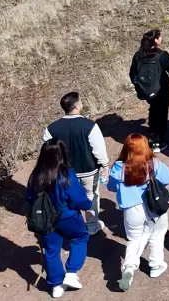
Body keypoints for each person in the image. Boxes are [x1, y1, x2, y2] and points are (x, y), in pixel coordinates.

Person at [27, 139, 94, 298]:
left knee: (51, 250)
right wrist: (87, 204)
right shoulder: (66, 173)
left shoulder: (35, 176)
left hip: (45, 220)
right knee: (79, 238)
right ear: (61, 154)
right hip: (68, 216)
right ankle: (71, 272)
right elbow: (78, 198)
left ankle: (56, 285)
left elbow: (30, 199)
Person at [107, 133, 169, 288]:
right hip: (153, 205)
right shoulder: (152, 163)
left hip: (131, 210)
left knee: (134, 239)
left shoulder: (118, 168)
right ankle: (156, 266)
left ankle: (129, 267)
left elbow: (111, 187)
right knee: (157, 235)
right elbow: (168, 178)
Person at [42, 92, 109, 236]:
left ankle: (73, 225)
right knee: (91, 196)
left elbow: (46, 151)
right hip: (88, 170)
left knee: (66, 198)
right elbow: (98, 149)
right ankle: (91, 225)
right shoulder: (89, 126)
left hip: (63, 172)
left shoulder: (51, 128)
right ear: (77, 106)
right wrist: (104, 164)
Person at [130, 29, 169, 151]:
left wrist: (140, 87)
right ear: (155, 40)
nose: (162, 38)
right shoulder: (162, 56)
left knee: (153, 110)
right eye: (160, 37)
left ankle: (152, 137)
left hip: (146, 91)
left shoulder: (138, 55)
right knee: (161, 112)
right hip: (162, 89)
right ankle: (158, 140)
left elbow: (132, 74)